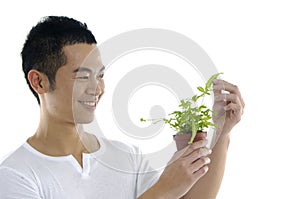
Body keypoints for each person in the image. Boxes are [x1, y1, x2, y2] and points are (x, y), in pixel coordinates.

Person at [0, 16, 244, 199]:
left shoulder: (126, 157)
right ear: (39, 81)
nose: (96, 88)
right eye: (83, 76)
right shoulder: (16, 174)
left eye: (100, 75)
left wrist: (221, 134)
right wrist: (161, 192)